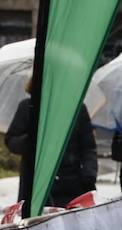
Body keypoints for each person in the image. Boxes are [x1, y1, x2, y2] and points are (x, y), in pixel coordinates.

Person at [5, 77, 99, 209]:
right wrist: (31, 139)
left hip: (73, 186)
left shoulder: (77, 108)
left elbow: (88, 147)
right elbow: (11, 141)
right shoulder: (27, 107)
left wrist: (89, 175)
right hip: (36, 186)